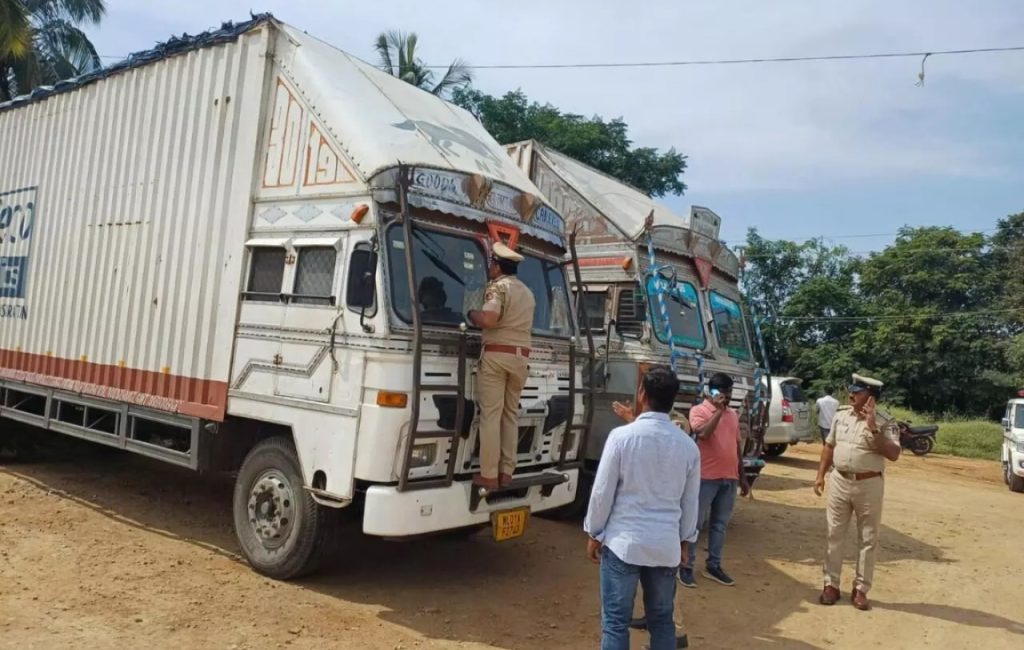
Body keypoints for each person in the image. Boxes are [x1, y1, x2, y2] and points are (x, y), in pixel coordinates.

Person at [584, 366, 700, 650]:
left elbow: (602, 492)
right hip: (665, 545)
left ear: (641, 393)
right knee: (662, 620)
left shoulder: (622, 437)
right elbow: (690, 501)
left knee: (615, 621)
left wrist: (594, 531)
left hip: (624, 542)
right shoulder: (688, 447)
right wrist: (686, 540)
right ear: (673, 399)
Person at [814, 373, 901, 611]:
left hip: (869, 484)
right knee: (834, 533)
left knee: (868, 538)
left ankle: (861, 589)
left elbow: (893, 454)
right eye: (851, 391)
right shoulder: (841, 415)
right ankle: (830, 585)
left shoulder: (886, 421)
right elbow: (829, 446)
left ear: (871, 398)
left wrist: (873, 429)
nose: (851, 395)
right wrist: (821, 475)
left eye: (857, 392)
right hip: (840, 480)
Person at [466, 242, 535, 490]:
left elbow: (490, 319)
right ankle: (507, 472)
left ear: (496, 266)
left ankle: (488, 475)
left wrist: (472, 314)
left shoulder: (497, 288)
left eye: (491, 264)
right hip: (521, 359)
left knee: (491, 416)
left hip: (496, 357)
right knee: (510, 415)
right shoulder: (528, 292)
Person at [682, 372, 751, 588]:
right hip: (705, 478)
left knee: (720, 525)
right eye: (723, 392)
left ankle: (714, 565)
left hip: (728, 478)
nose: (727, 396)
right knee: (695, 524)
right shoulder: (699, 411)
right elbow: (703, 434)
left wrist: (743, 476)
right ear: (711, 392)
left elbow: (736, 446)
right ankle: (685, 566)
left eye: (729, 392)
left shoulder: (732, 414)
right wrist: (718, 413)